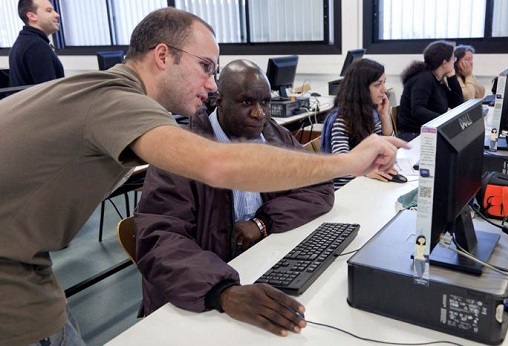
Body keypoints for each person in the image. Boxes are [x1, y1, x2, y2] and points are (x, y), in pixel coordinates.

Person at [0, 8, 406, 345]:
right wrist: (349, 163)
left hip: (29, 262)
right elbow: (218, 166)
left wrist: (264, 223)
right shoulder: (116, 100)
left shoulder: (99, 92)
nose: (211, 84)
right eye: (205, 67)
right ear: (163, 55)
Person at [134, 59, 335, 335]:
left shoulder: (274, 135)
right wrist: (224, 292)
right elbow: (159, 240)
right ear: (218, 100)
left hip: (257, 266)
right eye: (246, 103)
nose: (259, 114)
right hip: (198, 293)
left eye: (265, 102)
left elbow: (320, 186)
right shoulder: (180, 152)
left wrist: (264, 222)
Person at [322, 58, 396, 190]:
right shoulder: (342, 120)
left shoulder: (372, 113)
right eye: (377, 84)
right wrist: (366, 171)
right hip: (345, 190)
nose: (384, 89)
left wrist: (384, 115)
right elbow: (340, 166)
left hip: (365, 184)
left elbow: (390, 148)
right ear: (362, 89)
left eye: (384, 82)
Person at [398, 40, 464, 141]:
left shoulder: (438, 80)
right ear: (444, 63)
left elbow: (457, 104)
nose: (454, 62)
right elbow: (417, 110)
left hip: (429, 132)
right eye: (453, 59)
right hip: (414, 135)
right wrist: (444, 120)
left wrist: (452, 77)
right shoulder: (423, 79)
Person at [8, 0, 64, 87]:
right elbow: (49, 92)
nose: (57, 15)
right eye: (49, 11)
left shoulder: (24, 41)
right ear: (32, 16)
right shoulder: (36, 46)